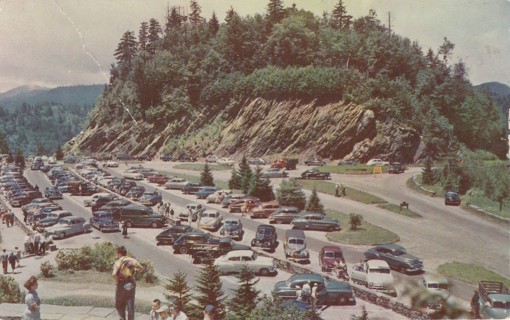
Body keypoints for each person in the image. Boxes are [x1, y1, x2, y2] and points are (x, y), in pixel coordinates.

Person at [112, 246, 145, 320]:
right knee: (130, 302)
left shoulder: (119, 261)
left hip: (121, 283)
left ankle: (122, 318)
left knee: (119, 304)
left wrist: (117, 281)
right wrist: (134, 270)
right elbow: (142, 269)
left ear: (119, 253)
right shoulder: (132, 260)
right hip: (131, 283)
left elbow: (114, 274)